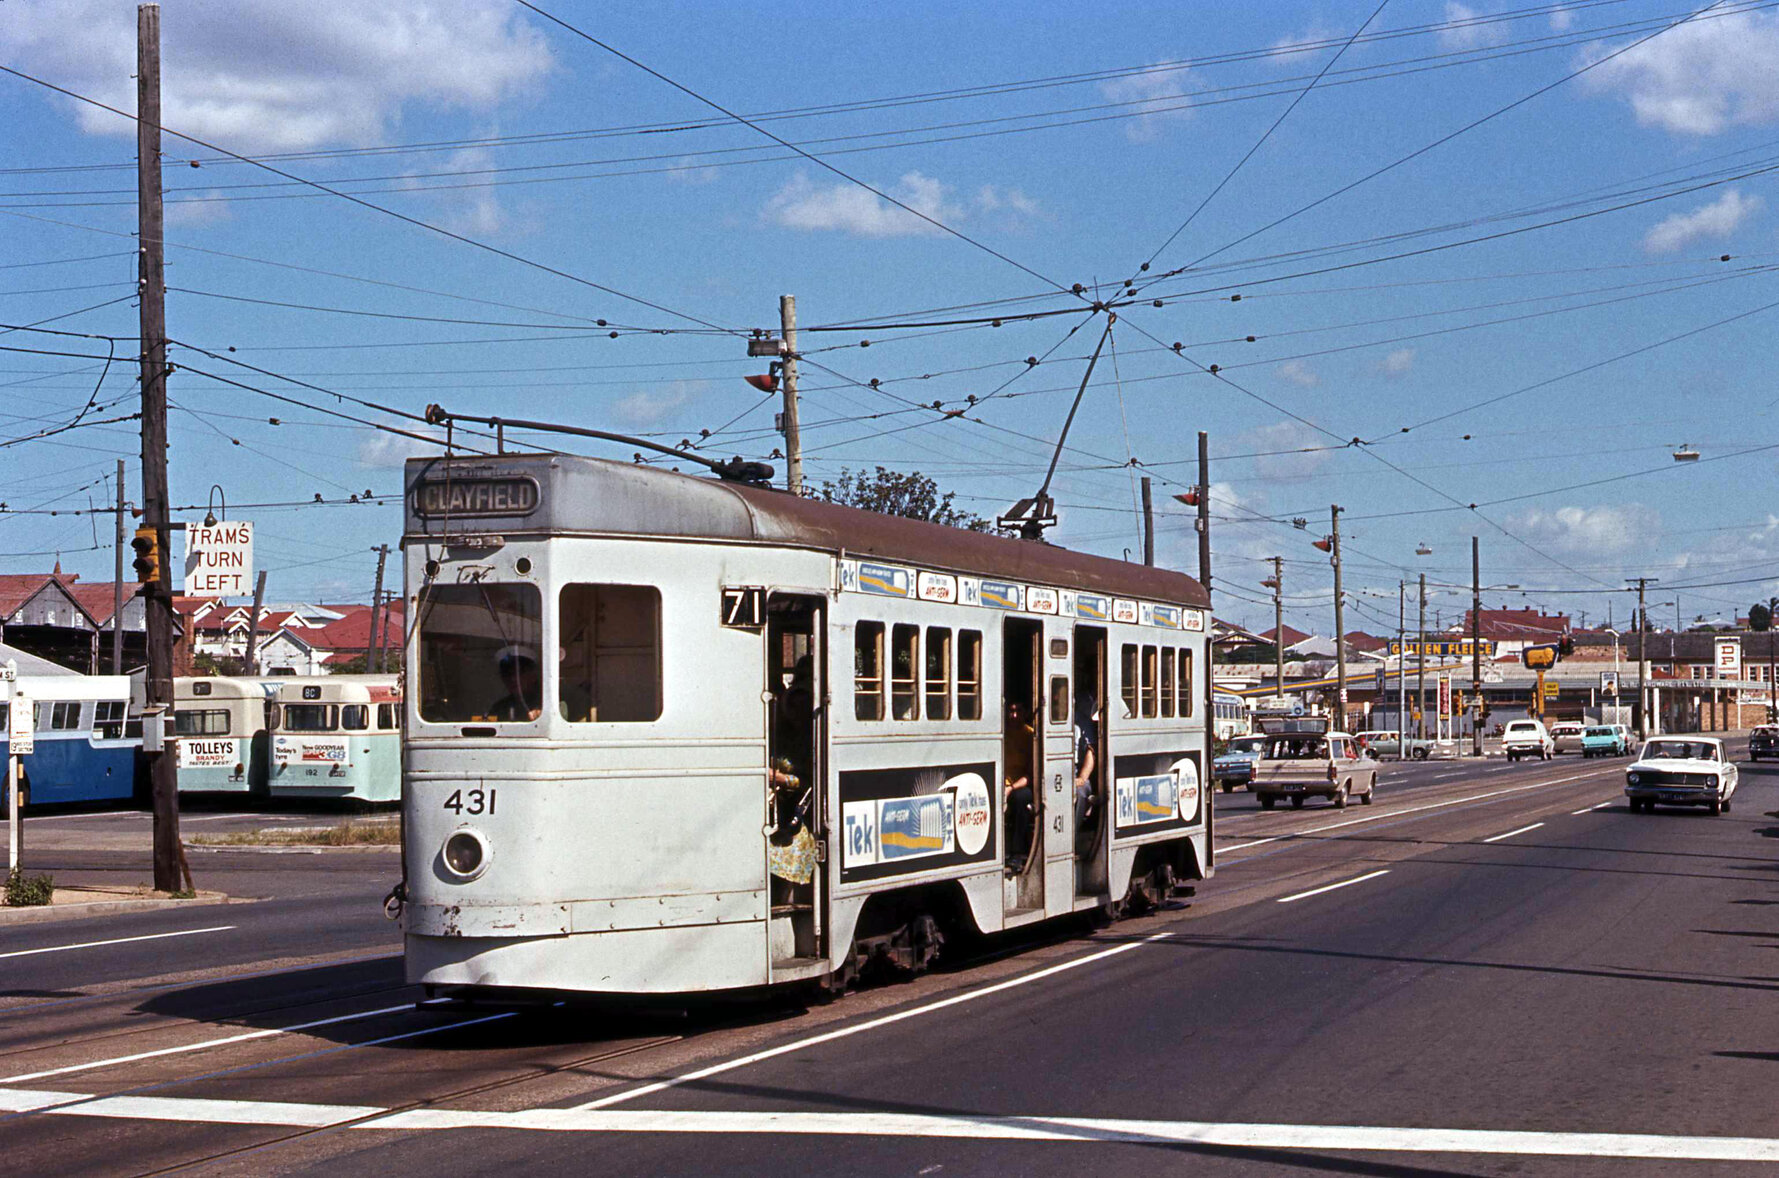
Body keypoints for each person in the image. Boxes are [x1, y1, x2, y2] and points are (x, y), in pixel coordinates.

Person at [1003, 699, 1036, 867]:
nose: (1014, 715)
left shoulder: (1031, 735)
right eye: (1011, 711)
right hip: (1002, 783)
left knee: (1020, 798)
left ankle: (1016, 853)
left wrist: (1011, 788)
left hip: (1020, 785)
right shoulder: (1002, 733)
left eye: (1018, 711)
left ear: (1025, 713)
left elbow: (1030, 775)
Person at [489, 645, 543, 721]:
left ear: (533, 674)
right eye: (507, 674)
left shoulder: (548, 704)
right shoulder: (499, 708)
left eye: (520, 673)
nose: (513, 679)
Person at [1072, 692, 1100, 832]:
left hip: (1077, 770)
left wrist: (1082, 778)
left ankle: (1073, 836)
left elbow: (1091, 751)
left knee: (1080, 791)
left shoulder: (1082, 722)